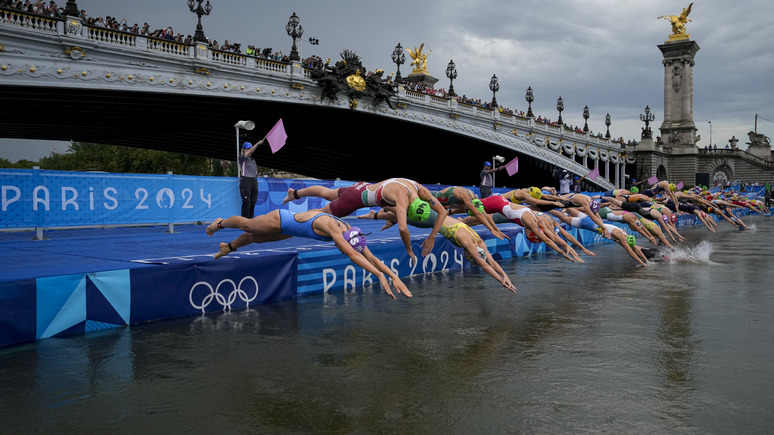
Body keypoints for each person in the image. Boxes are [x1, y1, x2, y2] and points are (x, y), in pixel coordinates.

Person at [205, 210, 412, 300]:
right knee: (249, 225)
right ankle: (220, 223)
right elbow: (352, 256)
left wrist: (393, 276)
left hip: (291, 231)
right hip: (282, 219)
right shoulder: (335, 229)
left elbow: (371, 257)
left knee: (255, 238)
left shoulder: (351, 231)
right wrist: (379, 276)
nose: (340, 249)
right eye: (343, 247)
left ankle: (228, 247)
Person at [282, 178, 447, 266]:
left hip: (360, 187)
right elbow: (404, 228)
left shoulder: (419, 189)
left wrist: (432, 236)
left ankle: (294, 193)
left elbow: (442, 211)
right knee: (320, 215)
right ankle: (290, 221)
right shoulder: (402, 200)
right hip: (354, 200)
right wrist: (409, 250)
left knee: (327, 193)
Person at [367, 206, 518, 293]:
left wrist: (506, 277)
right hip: (431, 219)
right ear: (470, 255)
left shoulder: (479, 242)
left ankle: (383, 215)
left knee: (403, 214)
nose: (465, 255)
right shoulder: (470, 244)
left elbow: (490, 260)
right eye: (468, 257)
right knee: (403, 212)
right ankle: (379, 210)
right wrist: (500, 280)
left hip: (436, 217)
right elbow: (485, 264)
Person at [238, 139, 264, 218]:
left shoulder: (253, 160)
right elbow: (250, 152)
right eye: (248, 148)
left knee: (253, 201)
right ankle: (244, 220)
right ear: (243, 150)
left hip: (254, 180)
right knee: (247, 201)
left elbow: (255, 171)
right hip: (246, 180)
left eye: (250, 148)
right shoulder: (242, 157)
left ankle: (250, 219)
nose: (249, 150)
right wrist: (257, 144)